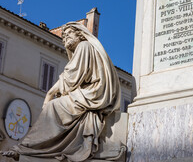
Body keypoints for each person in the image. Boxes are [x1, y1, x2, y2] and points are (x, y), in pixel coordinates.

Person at [1, 22, 121, 161]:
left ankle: (29, 148)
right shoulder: (85, 48)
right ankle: (32, 148)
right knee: (56, 109)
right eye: (63, 36)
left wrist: (49, 94)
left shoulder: (84, 46)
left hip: (92, 94)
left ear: (80, 34)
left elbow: (71, 76)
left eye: (68, 33)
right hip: (90, 93)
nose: (65, 38)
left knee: (53, 107)